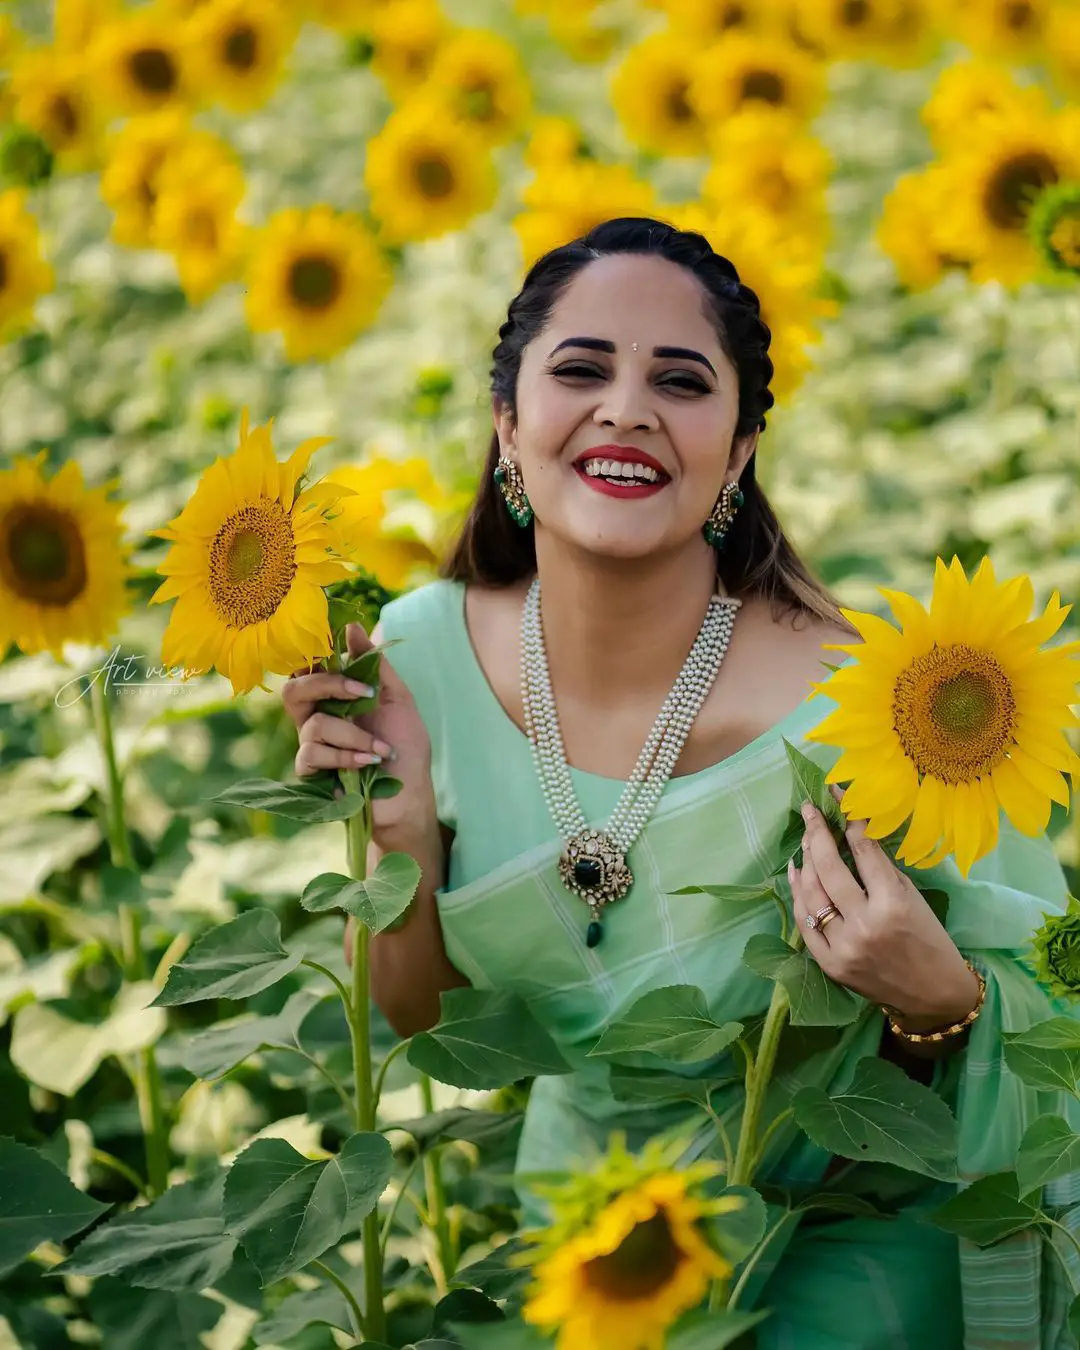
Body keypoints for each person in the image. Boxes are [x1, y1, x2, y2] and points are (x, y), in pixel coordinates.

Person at [282, 217, 1076, 1349]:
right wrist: (397, 831)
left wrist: (939, 1006)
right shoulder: (416, 662)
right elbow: (427, 1023)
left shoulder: (876, 702)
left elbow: (1048, 1017)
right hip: (595, 1229)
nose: (626, 409)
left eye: (681, 381)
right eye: (582, 369)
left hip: (850, 1225)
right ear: (508, 424)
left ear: (739, 449)